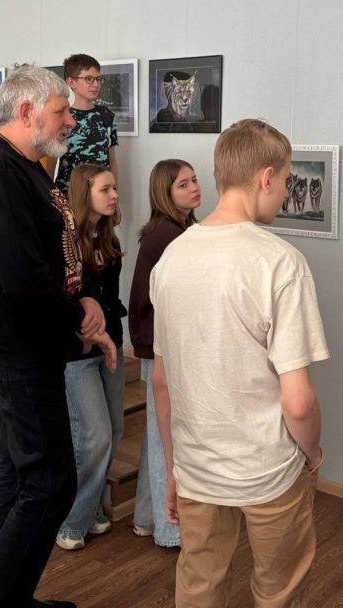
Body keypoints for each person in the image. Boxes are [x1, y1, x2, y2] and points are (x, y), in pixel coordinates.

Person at [150, 119, 329, 607]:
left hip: (197, 466)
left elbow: (162, 382)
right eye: (287, 180)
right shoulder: (280, 261)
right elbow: (298, 401)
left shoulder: (171, 259)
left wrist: (174, 466)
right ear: (266, 177)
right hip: (268, 468)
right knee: (278, 591)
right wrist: (313, 453)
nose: (287, 192)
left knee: (199, 585)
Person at [0, 65, 116, 608]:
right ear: (27, 112)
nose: (70, 119)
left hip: (35, 348)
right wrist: (80, 322)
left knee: (16, 474)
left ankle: (6, 599)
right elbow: (22, 278)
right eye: (61, 110)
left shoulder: (28, 166)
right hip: (20, 352)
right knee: (50, 483)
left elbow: (58, 251)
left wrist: (86, 297)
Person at [128, 159, 202, 549]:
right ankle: (169, 529)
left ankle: (146, 517)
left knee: (157, 436)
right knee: (164, 438)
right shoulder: (167, 236)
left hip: (161, 344)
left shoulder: (183, 231)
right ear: (165, 192)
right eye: (183, 184)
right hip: (160, 347)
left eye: (194, 181)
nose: (194, 188)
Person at [56, 164, 127, 551]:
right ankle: (72, 521)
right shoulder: (66, 242)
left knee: (114, 430)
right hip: (78, 352)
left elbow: (109, 298)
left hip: (111, 342)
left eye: (114, 188)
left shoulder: (108, 237)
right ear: (86, 195)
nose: (114, 195)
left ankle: (95, 507)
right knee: (94, 435)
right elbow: (64, 300)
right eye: (106, 190)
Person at [53, 53, 119, 193]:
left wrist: (114, 194)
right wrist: (49, 200)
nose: (96, 84)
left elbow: (112, 161)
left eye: (98, 79)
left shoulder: (107, 115)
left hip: (100, 194)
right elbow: (51, 165)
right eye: (89, 79)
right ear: (71, 82)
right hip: (69, 194)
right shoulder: (61, 117)